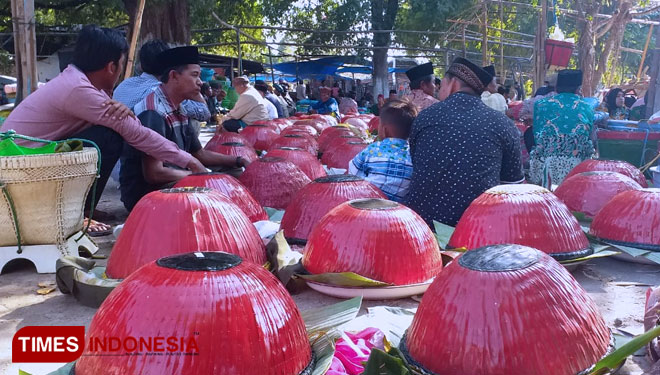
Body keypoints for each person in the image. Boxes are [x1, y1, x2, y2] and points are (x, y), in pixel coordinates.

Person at [0, 25, 206, 234]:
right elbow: (136, 133)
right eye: (122, 64)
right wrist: (189, 161)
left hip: (25, 156)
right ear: (111, 67)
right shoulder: (79, 90)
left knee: (108, 132)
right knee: (110, 136)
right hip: (20, 165)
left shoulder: (78, 82)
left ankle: (81, 208)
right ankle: (78, 214)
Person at [120, 46, 246, 211]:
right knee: (216, 191)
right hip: (150, 194)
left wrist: (239, 160)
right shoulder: (152, 112)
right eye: (194, 75)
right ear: (173, 76)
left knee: (234, 172)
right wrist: (201, 176)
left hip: (177, 178)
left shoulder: (180, 107)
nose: (200, 82)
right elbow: (154, 173)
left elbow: (199, 154)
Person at [404, 57, 524, 227]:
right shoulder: (503, 124)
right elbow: (513, 187)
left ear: (452, 83)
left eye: (442, 84)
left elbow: (417, 163)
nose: (439, 89)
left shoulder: (425, 118)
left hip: (422, 229)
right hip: (477, 231)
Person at [113, 39, 210, 121]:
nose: (200, 82)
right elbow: (204, 113)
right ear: (173, 73)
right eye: (194, 75)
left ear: (141, 65)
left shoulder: (125, 84)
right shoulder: (161, 92)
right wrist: (194, 89)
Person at [529, 69, 594, 188]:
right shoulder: (587, 106)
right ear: (578, 89)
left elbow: (537, 138)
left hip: (547, 168)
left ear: (556, 88)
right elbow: (588, 140)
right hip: (577, 170)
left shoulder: (541, 104)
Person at [349, 99, 417, 202]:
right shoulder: (413, 154)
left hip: (367, 201)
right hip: (399, 208)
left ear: (384, 130)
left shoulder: (374, 149)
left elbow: (352, 171)